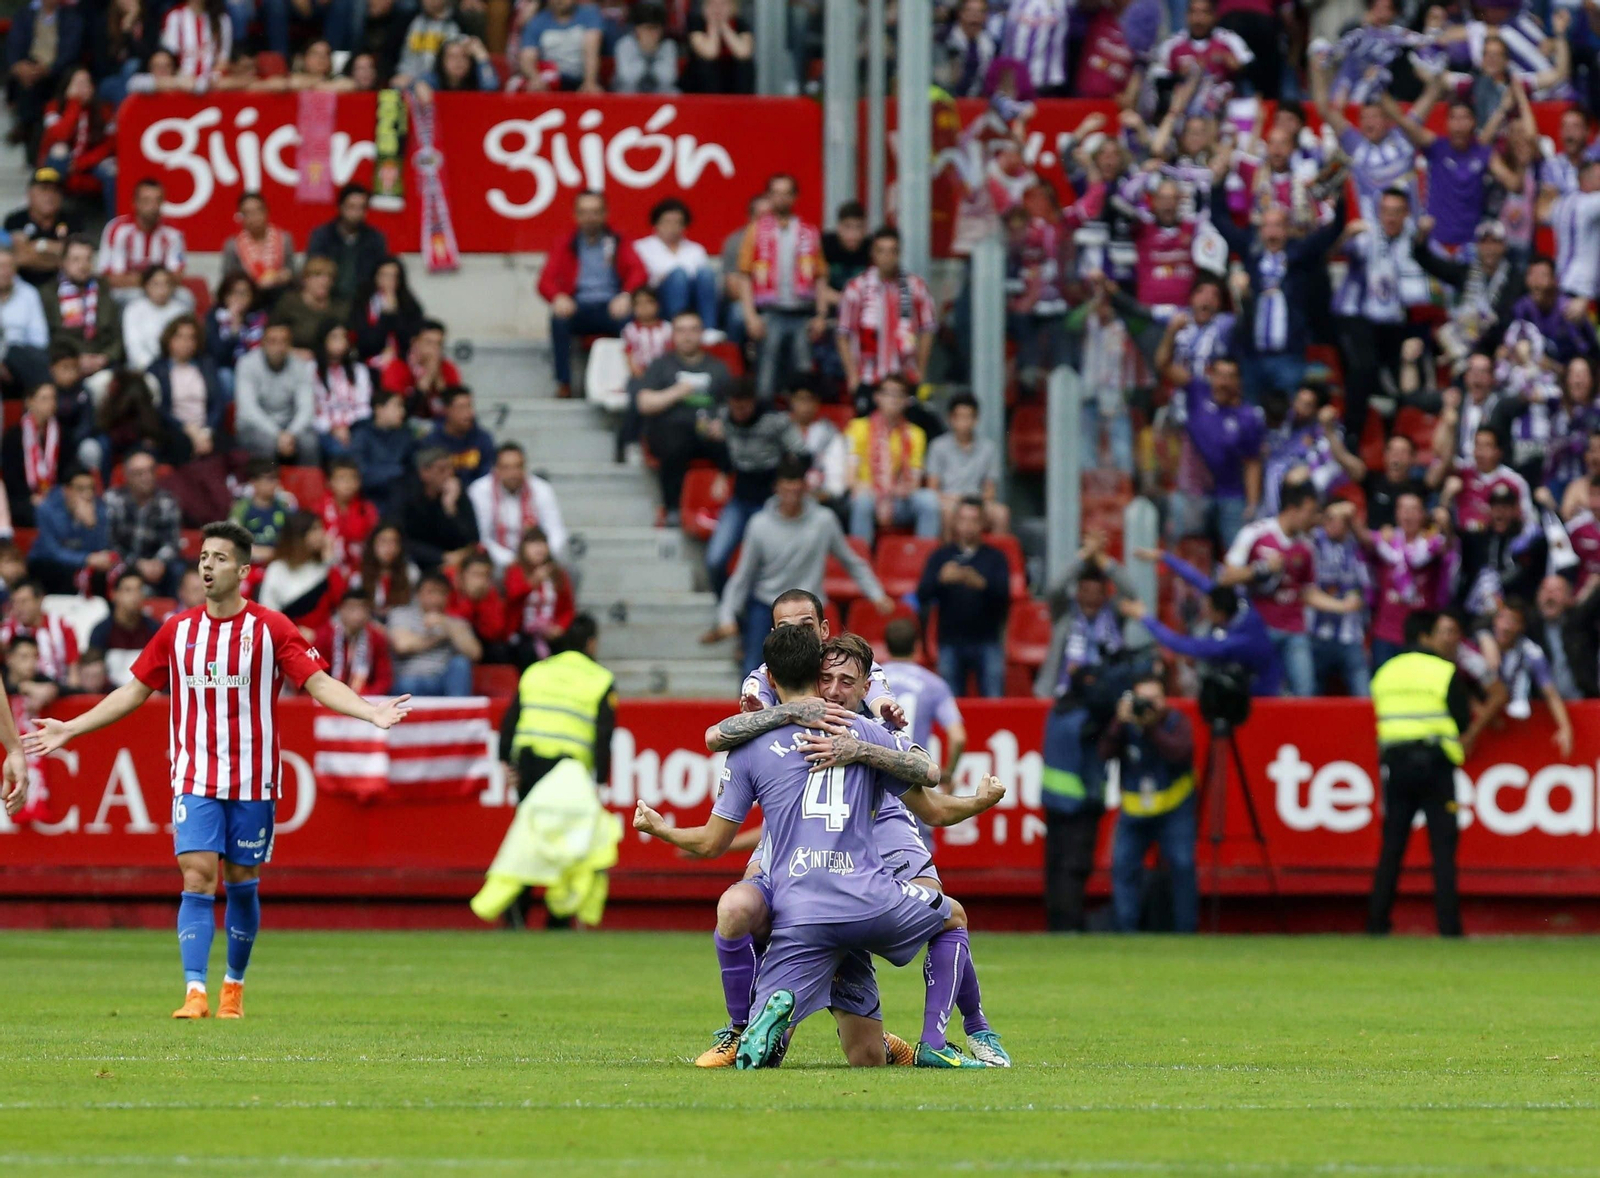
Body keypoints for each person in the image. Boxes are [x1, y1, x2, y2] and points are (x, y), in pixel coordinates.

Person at [24, 520, 411, 1018]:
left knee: (241, 876)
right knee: (197, 874)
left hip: (254, 777)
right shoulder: (177, 630)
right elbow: (133, 690)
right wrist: (70, 728)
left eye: (220, 558)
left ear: (244, 571)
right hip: (194, 774)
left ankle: (233, 984)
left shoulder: (272, 629)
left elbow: (316, 682)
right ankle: (194, 992)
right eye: (204, 556)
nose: (208, 565)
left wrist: (370, 711)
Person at [633, 624, 1004, 1070]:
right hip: (867, 899)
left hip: (799, 911)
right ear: (814, 671)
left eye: (845, 682)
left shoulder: (750, 742)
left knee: (745, 916)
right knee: (952, 915)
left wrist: (663, 830)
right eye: (827, 679)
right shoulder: (868, 730)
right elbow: (932, 794)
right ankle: (941, 1040)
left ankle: (747, 1026)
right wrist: (978, 800)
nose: (833, 689)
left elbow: (713, 831)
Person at [706, 454, 892, 677]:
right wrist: (727, 615)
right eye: (787, 489)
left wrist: (876, 594)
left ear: (804, 487)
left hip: (809, 610)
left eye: (796, 489)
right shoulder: (760, 525)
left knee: (816, 672)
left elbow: (851, 562)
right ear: (777, 488)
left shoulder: (824, 520)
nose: (792, 496)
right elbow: (742, 576)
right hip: (768, 606)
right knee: (754, 671)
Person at [1365, 609, 1478, 937]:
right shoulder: (1443, 671)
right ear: (1427, 636)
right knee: (1443, 849)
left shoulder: (1384, 672)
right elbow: (1461, 720)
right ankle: (1448, 928)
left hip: (1396, 766)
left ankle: (1376, 923)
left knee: (1392, 847)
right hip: (1435, 765)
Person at [1220, 482, 1361, 697]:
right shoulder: (1256, 533)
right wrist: (1262, 568)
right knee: (1261, 691)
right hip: (1260, 628)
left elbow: (1306, 591)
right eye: (1310, 512)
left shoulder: (1306, 545)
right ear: (1295, 508)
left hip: (1295, 629)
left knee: (1305, 690)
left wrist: (1341, 606)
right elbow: (1226, 577)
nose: (1313, 519)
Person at [1101, 674, 1197, 934]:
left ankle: (1187, 934)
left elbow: (1179, 753)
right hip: (1134, 813)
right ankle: (1126, 933)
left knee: (1182, 866)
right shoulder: (1126, 725)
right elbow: (1104, 753)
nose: (1150, 705)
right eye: (1144, 700)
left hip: (1174, 811)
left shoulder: (1177, 722)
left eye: (1155, 699)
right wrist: (1118, 724)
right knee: (1123, 868)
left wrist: (1151, 727)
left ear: (1165, 699)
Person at [1121, 548, 1283, 696]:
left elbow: (1179, 644)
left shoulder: (1233, 643)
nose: (1204, 610)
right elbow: (1197, 579)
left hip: (1261, 695)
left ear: (1220, 614)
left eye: (1208, 609)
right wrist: (1163, 556)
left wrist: (1143, 616)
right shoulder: (1239, 602)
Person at [538, 190, 646, 397]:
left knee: (631, 321)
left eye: (595, 212)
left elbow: (638, 271)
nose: (590, 218)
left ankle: (632, 381)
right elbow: (545, 281)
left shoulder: (618, 240)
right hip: (578, 306)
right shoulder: (565, 243)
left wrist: (626, 294)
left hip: (611, 306)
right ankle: (564, 383)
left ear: (605, 214)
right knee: (558, 320)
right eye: (584, 212)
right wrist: (558, 297)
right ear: (575, 215)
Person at [702, 380, 804, 595]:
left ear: (753, 403)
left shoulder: (775, 420)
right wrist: (722, 474)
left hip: (770, 501)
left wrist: (788, 483)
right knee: (714, 559)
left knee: (765, 566)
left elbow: (801, 454)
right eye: (734, 407)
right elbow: (729, 449)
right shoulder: (725, 417)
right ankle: (726, 610)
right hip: (740, 499)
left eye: (744, 407)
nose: (738, 413)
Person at [498, 612, 614, 796]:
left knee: (531, 823)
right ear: (591, 643)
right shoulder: (600, 679)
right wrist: (600, 780)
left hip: (529, 764)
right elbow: (604, 733)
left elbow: (511, 718)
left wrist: (504, 759)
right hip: (571, 769)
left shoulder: (536, 670)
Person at [636, 310, 735, 524]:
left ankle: (726, 504)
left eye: (693, 330)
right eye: (681, 330)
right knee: (674, 442)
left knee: (738, 439)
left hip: (708, 432)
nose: (687, 336)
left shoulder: (718, 368)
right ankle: (672, 508)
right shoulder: (661, 365)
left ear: (702, 333)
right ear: (673, 335)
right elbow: (644, 403)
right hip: (670, 431)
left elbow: (734, 407)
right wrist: (676, 392)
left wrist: (723, 424)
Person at [738, 174, 825, 399]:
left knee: (804, 372)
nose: (781, 199)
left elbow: (821, 276)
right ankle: (765, 420)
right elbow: (745, 274)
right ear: (768, 196)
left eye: (787, 193)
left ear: (795, 197)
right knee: (766, 371)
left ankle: (801, 425)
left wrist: (821, 315)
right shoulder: (756, 231)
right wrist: (750, 316)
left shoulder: (808, 232)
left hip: (801, 312)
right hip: (770, 312)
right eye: (776, 193)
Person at [916, 498, 1012, 698]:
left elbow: (1005, 598)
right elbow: (922, 595)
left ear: (983, 523)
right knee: (949, 705)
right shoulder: (940, 556)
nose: (968, 526)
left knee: (993, 703)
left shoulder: (996, 558)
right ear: (955, 522)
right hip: (950, 641)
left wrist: (981, 584)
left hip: (988, 641)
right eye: (963, 519)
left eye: (974, 520)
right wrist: (940, 580)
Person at [836, 228, 938, 413]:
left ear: (899, 253)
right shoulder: (856, 288)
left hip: (905, 378)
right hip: (868, 378)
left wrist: (920, 371)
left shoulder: (916, 287)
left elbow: (927, 329)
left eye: (893, 251)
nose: (887, 257)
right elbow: (843, 333)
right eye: (881, 250)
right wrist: (852, 375)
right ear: (873, 253)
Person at [1168, 355, 1264, 550]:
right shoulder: (1197, 394)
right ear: (1211, 376)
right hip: (1193, 493)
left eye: (1230, 377)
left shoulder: (1249, 417)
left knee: (1238, 552)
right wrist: (1172, 331)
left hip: (1232, 496)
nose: (1224, 382)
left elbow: (1252, 463)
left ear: (1238, 382)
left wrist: (1252, 504)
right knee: (1187, 549)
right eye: (1220, 375)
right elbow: (1163, 365)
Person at [845, 375, 941, 545]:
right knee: (862, 502)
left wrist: (890, 493)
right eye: (888, 394)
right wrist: (879, 493)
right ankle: (862, 563)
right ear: (877, 397)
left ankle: (923, 559)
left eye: (899, 395)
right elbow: (851, 480)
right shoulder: (857, 427)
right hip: (868, 496)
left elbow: (914, 482)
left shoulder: (916, 434)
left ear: (906, 401)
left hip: (899, 499)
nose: (894, 400)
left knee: (929, 500)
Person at [1478, 598, 1575, 755]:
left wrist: (1565, 728)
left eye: (1513, 621)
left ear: (1521, 627)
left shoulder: (1532, 653)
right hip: (1483, 725)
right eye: (1502, 618)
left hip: (1518, 725)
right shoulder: (1479, 641)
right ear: (1495, 620)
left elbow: (1550, 693)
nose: (1505, 626)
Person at [880, 618, 966, 792]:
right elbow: (958, 738)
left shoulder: (869, 681)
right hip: (914, 783)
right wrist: (947, 775)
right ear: (917, 646)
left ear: (886, 647)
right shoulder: (934, 684)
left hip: (877, 781)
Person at [469, 442, 567, 573]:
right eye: (506, 468)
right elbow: (482, 537)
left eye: (518, 467)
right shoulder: (480, 490)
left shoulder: (541, 489)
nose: (513, 473)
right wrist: (511, 560)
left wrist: (541, 555)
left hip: (536, 557)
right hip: (497, 559)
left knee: (568, 568)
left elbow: (556, 531)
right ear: (495, 469)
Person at [5, 0, 87, 156]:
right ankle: (27, 131)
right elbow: (13, 44)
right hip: (29, 69)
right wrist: (19, 66)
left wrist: (48, 69)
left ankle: (26, 128)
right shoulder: (24, 15)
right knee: (27, 84)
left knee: (43, 87)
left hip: (57, 71)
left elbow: (71, 50)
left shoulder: (71, 17)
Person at [234, 320, 319, 465]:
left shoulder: (299, 365)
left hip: (289, 426)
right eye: (273, 341)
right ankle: (268, 487)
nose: (278, 347)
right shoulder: (247, 364)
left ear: (289, 345)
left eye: (283, 341)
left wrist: (290, 433)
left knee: (310, 442)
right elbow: (248, 410)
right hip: (256, 426)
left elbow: (307, 408)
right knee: (265, 444)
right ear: (263, 343)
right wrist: (277, 435)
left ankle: (307, 487)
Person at [104, 447, 185, 594]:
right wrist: (136, 564)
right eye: (139, 473)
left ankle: (176, 614)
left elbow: (172, 542)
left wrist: (158, 562)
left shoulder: (167, 502)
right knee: (104, 564)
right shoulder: (113, 500)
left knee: (179, 570)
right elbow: (109, 542)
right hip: (123, 562)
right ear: (127, 476)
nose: (146, 477)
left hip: (157, 567)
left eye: (150, 471)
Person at [925, 393, 1008, 536]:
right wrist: (957, 500)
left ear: (976, 419)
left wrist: (974, 502)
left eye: (969, 417)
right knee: (948, 512)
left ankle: (994, 557)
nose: (964, 422)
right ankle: (948, 554)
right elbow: (933, 488)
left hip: (978, 501)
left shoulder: (989, 448)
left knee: (1002, 513)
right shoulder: (938, 446)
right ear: (951, 418)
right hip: (948, 500)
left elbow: (990, 491)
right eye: (959, 417)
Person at [387, 570, 481, 696]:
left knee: (461, 663)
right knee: (409, 684)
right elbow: (402, 646)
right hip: (411, 677)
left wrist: (448, 625)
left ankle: (459, 712)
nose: (436, 598)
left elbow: (475, 653)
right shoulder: (401, 614)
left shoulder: (456, 622)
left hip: (443, 679)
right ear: (418, 594)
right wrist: (440, 637)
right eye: (431, 592)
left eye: (442, 593)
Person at [45, 236, 124, 384]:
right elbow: (47, 338)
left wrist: (105, 357)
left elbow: (117, 336)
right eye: (76, 259)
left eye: (88, 259)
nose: (83, 265)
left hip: (104, 365)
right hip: (65, 367)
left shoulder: (104, 290)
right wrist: (74, 359)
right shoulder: (48, 294)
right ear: (63, 263)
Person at [633, 198, 718, 329]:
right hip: (660, 301)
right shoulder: (642, 248)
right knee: (678, 276)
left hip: (693, 301)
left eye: (678, 222)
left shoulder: (696, 249)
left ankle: (708, 329)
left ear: (685, 226)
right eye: (667, 222)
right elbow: (642, 283)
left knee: (706, 273)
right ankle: (678, 328)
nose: (672, 227)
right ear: (656, 224)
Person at [29, 466, 114, 596]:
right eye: (80, 489)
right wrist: (86, 558)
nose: (88, 494)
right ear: (66, 490)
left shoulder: (99, 509)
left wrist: (91, 526)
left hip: (83, 564)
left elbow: (101, 548)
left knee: (105, 571)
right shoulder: (46, 509)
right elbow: (53, 551)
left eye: (91, 488)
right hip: (48, 564)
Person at [99, 179, 187, 304]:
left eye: (157, 200)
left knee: (185, 298)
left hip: (162, 291)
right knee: (122, 298)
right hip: (126, 291)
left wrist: (149, 283)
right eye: (146, 201)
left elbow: (177, 276)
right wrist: (151, 282)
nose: (153, 206)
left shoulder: (172, 231)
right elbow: (110, 278)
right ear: (135, 203)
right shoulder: (117, 229)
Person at [256, 511, 344, 636]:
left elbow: (341, 605)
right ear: (299, 535)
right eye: (314, 529)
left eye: (321, 528)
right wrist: (295, 632)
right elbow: (268, 615)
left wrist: (330, 562)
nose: (322, 534)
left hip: (324, 641)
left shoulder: (325, 567)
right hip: (289, 641)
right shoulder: (277, 569)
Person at [502, 526, 575, 667]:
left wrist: (560, 627)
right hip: (522, 633)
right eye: (533, 544)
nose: (539, 549)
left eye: (542, 544)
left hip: (551, 631)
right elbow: (512, 598)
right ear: (523, 548)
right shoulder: (515, 571)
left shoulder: (558, 575)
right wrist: (533, 582)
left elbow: (568, 608)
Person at [398, 446, 480, 571]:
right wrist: (441, 557)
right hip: (419, 562)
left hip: (455, 562)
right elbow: (403, 539)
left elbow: (472, 539)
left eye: (451, 468)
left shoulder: (457, 494)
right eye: (442, 470)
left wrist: (450, 509)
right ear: (424, 473)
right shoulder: (406, 495)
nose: (449, 474)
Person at [307, 184, 390, 305]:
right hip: (327, 301)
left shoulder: (375, 239)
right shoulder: (322, 236)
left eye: (361, 208)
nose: (356, 213)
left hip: (364, 304)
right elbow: (313, 272)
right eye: (351, 207)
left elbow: (382, 275)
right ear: (340, 207)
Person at [1, 382, 62, 529]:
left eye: (53, 398)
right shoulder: (14, 435)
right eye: (44, 398)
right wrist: (30, 497)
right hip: (22, 497)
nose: (51, 403)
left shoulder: (61, 433)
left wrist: (55, 494)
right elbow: (11, 475)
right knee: (39, 512)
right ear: (29, 402)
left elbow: (66, 469)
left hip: (55, 495)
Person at [220, 192, 296, 308]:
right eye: (247, 213)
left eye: (257, 211)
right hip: (248, 299)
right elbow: (228, 279)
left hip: (279, 294)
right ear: (241, 217)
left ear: (266, 212)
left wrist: (282, 276)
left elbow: (291, 271)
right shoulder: (233, 245)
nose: (253, 217)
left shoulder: (284, 239)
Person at [1, 576, 80, 684]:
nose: (18, 607)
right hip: (19, 691)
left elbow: (73, 673)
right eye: (15, 602)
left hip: (58, 691)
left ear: (40, 600)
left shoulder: (62, 626)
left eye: (24, 601)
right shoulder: (6, 631)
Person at [5, 168, 74, 290]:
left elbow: (75, 259)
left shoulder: (72, 220)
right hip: (23, 287)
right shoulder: (15, 220)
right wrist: (58, 255)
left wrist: (39, 245)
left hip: (64, 288)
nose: (50, 195)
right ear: (29, 193)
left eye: (55, 190)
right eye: (44, 189)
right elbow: (19, 259)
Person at [315, 588, 394, 695]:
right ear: (341, 610)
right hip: (329, 696)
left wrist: (365, 697)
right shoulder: (325, 636)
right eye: (352, 608)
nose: (357, 615)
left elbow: (384, 678)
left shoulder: (377, 638)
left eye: (362, 609)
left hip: (365, 699)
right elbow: (316, 674)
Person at [379, 318, 461, 420]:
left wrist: (439, 381)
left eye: (439, 344)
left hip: (440, 427)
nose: (434, 349)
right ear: (414, 343)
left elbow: (457, 411)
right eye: (429, 343)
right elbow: (399, 414)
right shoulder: (396, 368)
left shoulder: (448, 368)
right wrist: (425, 382)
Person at [313, 321, 372, 459]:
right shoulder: (310, 370)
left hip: (355, 426)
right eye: (334, 337)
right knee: (340, 451)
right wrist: (333, 428)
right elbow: (312, 410)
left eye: (343, 337)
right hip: (323, 429)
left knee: (361, 444)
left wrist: (347, 427)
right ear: (324, 341)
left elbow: (364, 406)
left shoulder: (359, 371)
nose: (340, 342)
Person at [350, 391, 414, 517]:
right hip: (371, 498)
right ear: (379, 409)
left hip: (401, 496)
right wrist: (398, 471)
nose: (402, 412)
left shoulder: (405, 435)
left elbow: (414, 468)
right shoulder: (361, 435)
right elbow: (360, 474)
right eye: (397, 406)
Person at [516, 0, 603, 92]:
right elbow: (527, 57)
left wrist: (590, 82)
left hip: (580, 79)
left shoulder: (589, 14)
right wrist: (535, 78)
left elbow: (591, 51)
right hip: (550, 82)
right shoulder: (537, 21)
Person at [122, 265, 193, 373]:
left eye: (166, 284)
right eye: (156, 284)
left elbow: (189, 344)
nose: (162, 289)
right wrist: (156, 369)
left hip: (178, 367)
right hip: (143, 369)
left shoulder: (181, 311)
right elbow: (134, 348)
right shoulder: (134, 310)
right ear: (146, 286)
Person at [88, 570, 161, 671]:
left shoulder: (154, 630)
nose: (135, 596)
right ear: (114, 594)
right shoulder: (101, 631)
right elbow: (93, 671)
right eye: (128, 590)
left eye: (139, 589)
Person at [0, 247, 50, 393]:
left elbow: (40, 339)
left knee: (30, 357)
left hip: (21, 358)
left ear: (15, 269)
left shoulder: (29, 294)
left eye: (9, 266)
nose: (4, 272)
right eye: (0, 266)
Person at [273, 257, 348, 352]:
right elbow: (271, 336)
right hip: (294, 360)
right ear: (305, 279)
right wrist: (293, 352)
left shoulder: (339, 308)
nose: (324, 281)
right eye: (317, 275)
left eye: (329, 276)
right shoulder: (290, 303)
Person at [424, 385, 495, 484]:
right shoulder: (431, 442)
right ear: (447, 410)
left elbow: (486, 477)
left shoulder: (483, 439)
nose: (469, 413)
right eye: (461, 407)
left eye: (470, 406)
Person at [683, 0, 754, 94]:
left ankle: (742, 104)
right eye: (713, 4)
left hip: (731, 77)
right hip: (702, 83)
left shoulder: (741, 24)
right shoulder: (696, 23)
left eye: (723, 5)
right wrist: (713, 26)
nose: (717, 9)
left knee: (745, 66)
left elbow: (744, 53)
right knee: (706, 65)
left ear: (732, 7)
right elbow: (710, 53)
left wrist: (724, 27)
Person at [612, 2, 677, 94]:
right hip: (630, 93)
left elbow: (668, 79)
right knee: (626, 90)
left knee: (673, 92)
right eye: (647, 28)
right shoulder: (625, 44)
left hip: (658, 94)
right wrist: (646, 53)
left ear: (662, 29)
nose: (651, 33)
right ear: (637, 29)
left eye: (655, 28)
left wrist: (651, 52)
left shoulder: (668, 45)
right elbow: (628, 78)